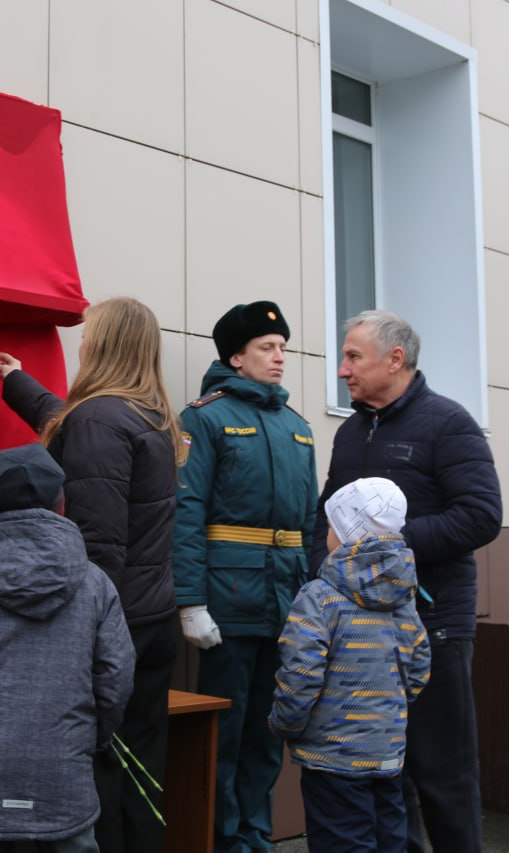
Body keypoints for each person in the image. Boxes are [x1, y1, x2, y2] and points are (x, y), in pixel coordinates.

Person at [0, 297, 185, 853]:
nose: (80, 342)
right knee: (140, 767)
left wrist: (74, 632)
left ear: (104, 344)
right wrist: (19, 382)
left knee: (99, 769)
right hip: (151, 620)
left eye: (88, 333)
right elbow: (76, 428)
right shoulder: (149, 415)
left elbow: (97, 545)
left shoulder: (102, 417)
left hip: (111, 628)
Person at [313, 310, 502, 853]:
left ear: (395, 359)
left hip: (433, 623)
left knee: (442, 769)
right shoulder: (349, 432)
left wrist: (386, 548)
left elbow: (481, 516)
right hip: (361, 631)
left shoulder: (448, 423)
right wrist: (319, 583)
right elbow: (324, 518)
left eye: (353, 356)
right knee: (387, 772)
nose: (343, 369)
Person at [0, 442, 135, 853]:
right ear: (62, 505)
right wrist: (89, 737)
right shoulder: (95, 585)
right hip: (65, 773)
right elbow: (116, 678)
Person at [173, 300, 319, 853]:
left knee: (268, 728)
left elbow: (308, 527)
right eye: (267, 348)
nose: (280, 357)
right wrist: (190, 601)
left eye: (282, 348)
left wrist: (310, 602)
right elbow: (186, 514)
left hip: (285, 601)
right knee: (226, 731)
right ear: (236, 357)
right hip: (227, 601)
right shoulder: (204, 419)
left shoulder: (298, 428)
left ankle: (256, 834)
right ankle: (221, 836)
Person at [270, 477, 431, 853]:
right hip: (388, 751)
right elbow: (420, 667)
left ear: (344, 533)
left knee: (341, 842)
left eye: (330, 525)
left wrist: (285, 723)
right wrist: (386, 710)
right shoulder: (404, 598)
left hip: (331, 757)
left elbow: (300, 672)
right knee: (390, 840)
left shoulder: (319, 597)